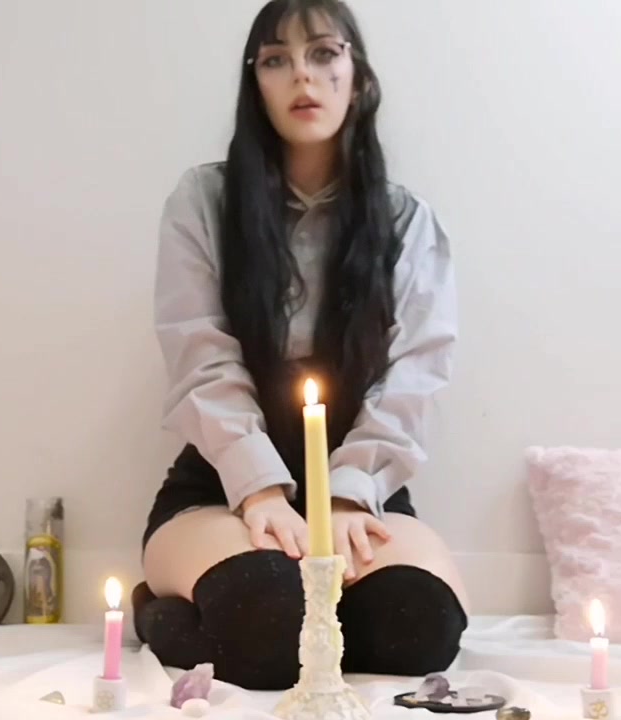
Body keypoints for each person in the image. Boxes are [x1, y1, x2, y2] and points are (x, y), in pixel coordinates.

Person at [132, 0, 468, 691]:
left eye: (322, 54)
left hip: (360, 481)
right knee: (268, 620)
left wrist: (350, 494)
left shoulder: (406, 220)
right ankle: (158, 610)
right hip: (224, 486)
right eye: (276, 60)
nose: (302, 77)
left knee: (419, 626)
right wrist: (258, 491)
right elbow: (199, 353)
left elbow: (417, 373)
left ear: (358, 77)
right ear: (255, 83)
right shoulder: (203, 201)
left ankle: (247, 611)